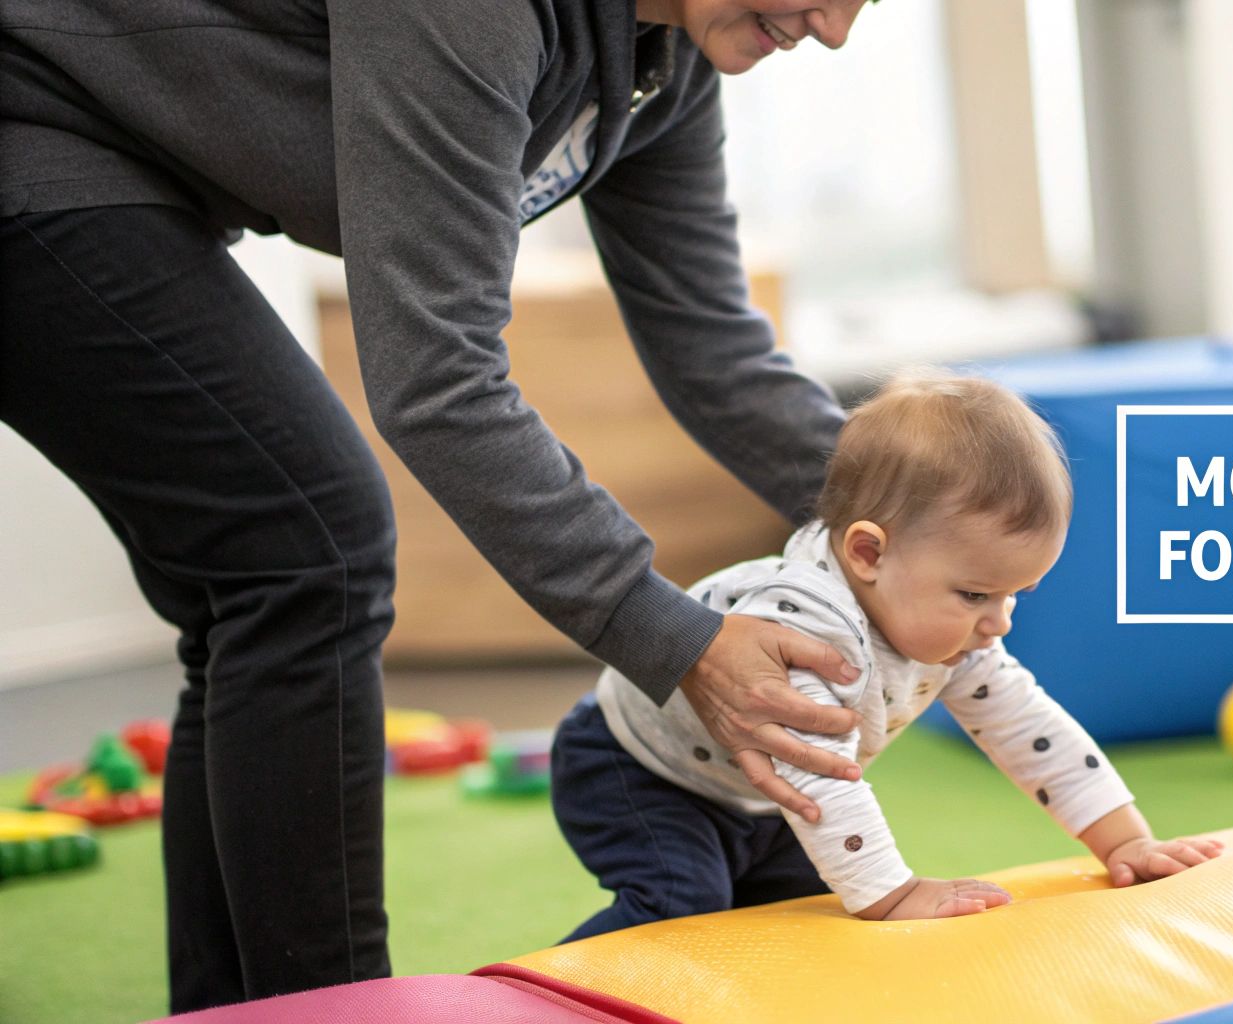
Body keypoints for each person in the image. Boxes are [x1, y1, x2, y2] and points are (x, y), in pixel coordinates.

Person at [2, 0, 873, 1012]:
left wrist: (926, 526)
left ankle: (232, 1008)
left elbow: (716, 353)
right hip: (28, 124)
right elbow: (436, 377)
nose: (837, 28)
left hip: (124, 174)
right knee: (309, 548)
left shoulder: (665, 61)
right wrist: (674, 639)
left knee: (266, 572)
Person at [552, 370, 1225, 936]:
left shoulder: (952, 631)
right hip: (642, 772)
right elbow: (817, 778)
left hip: (761, 799)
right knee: (681, 907)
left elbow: (1030, 729)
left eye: (1016, 595)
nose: (998, 623)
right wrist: (892, 894)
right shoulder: (806, 631)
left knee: (800, 925)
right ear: (868, 553)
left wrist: (1127, 841)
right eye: (974, 594)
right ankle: (528, 999)